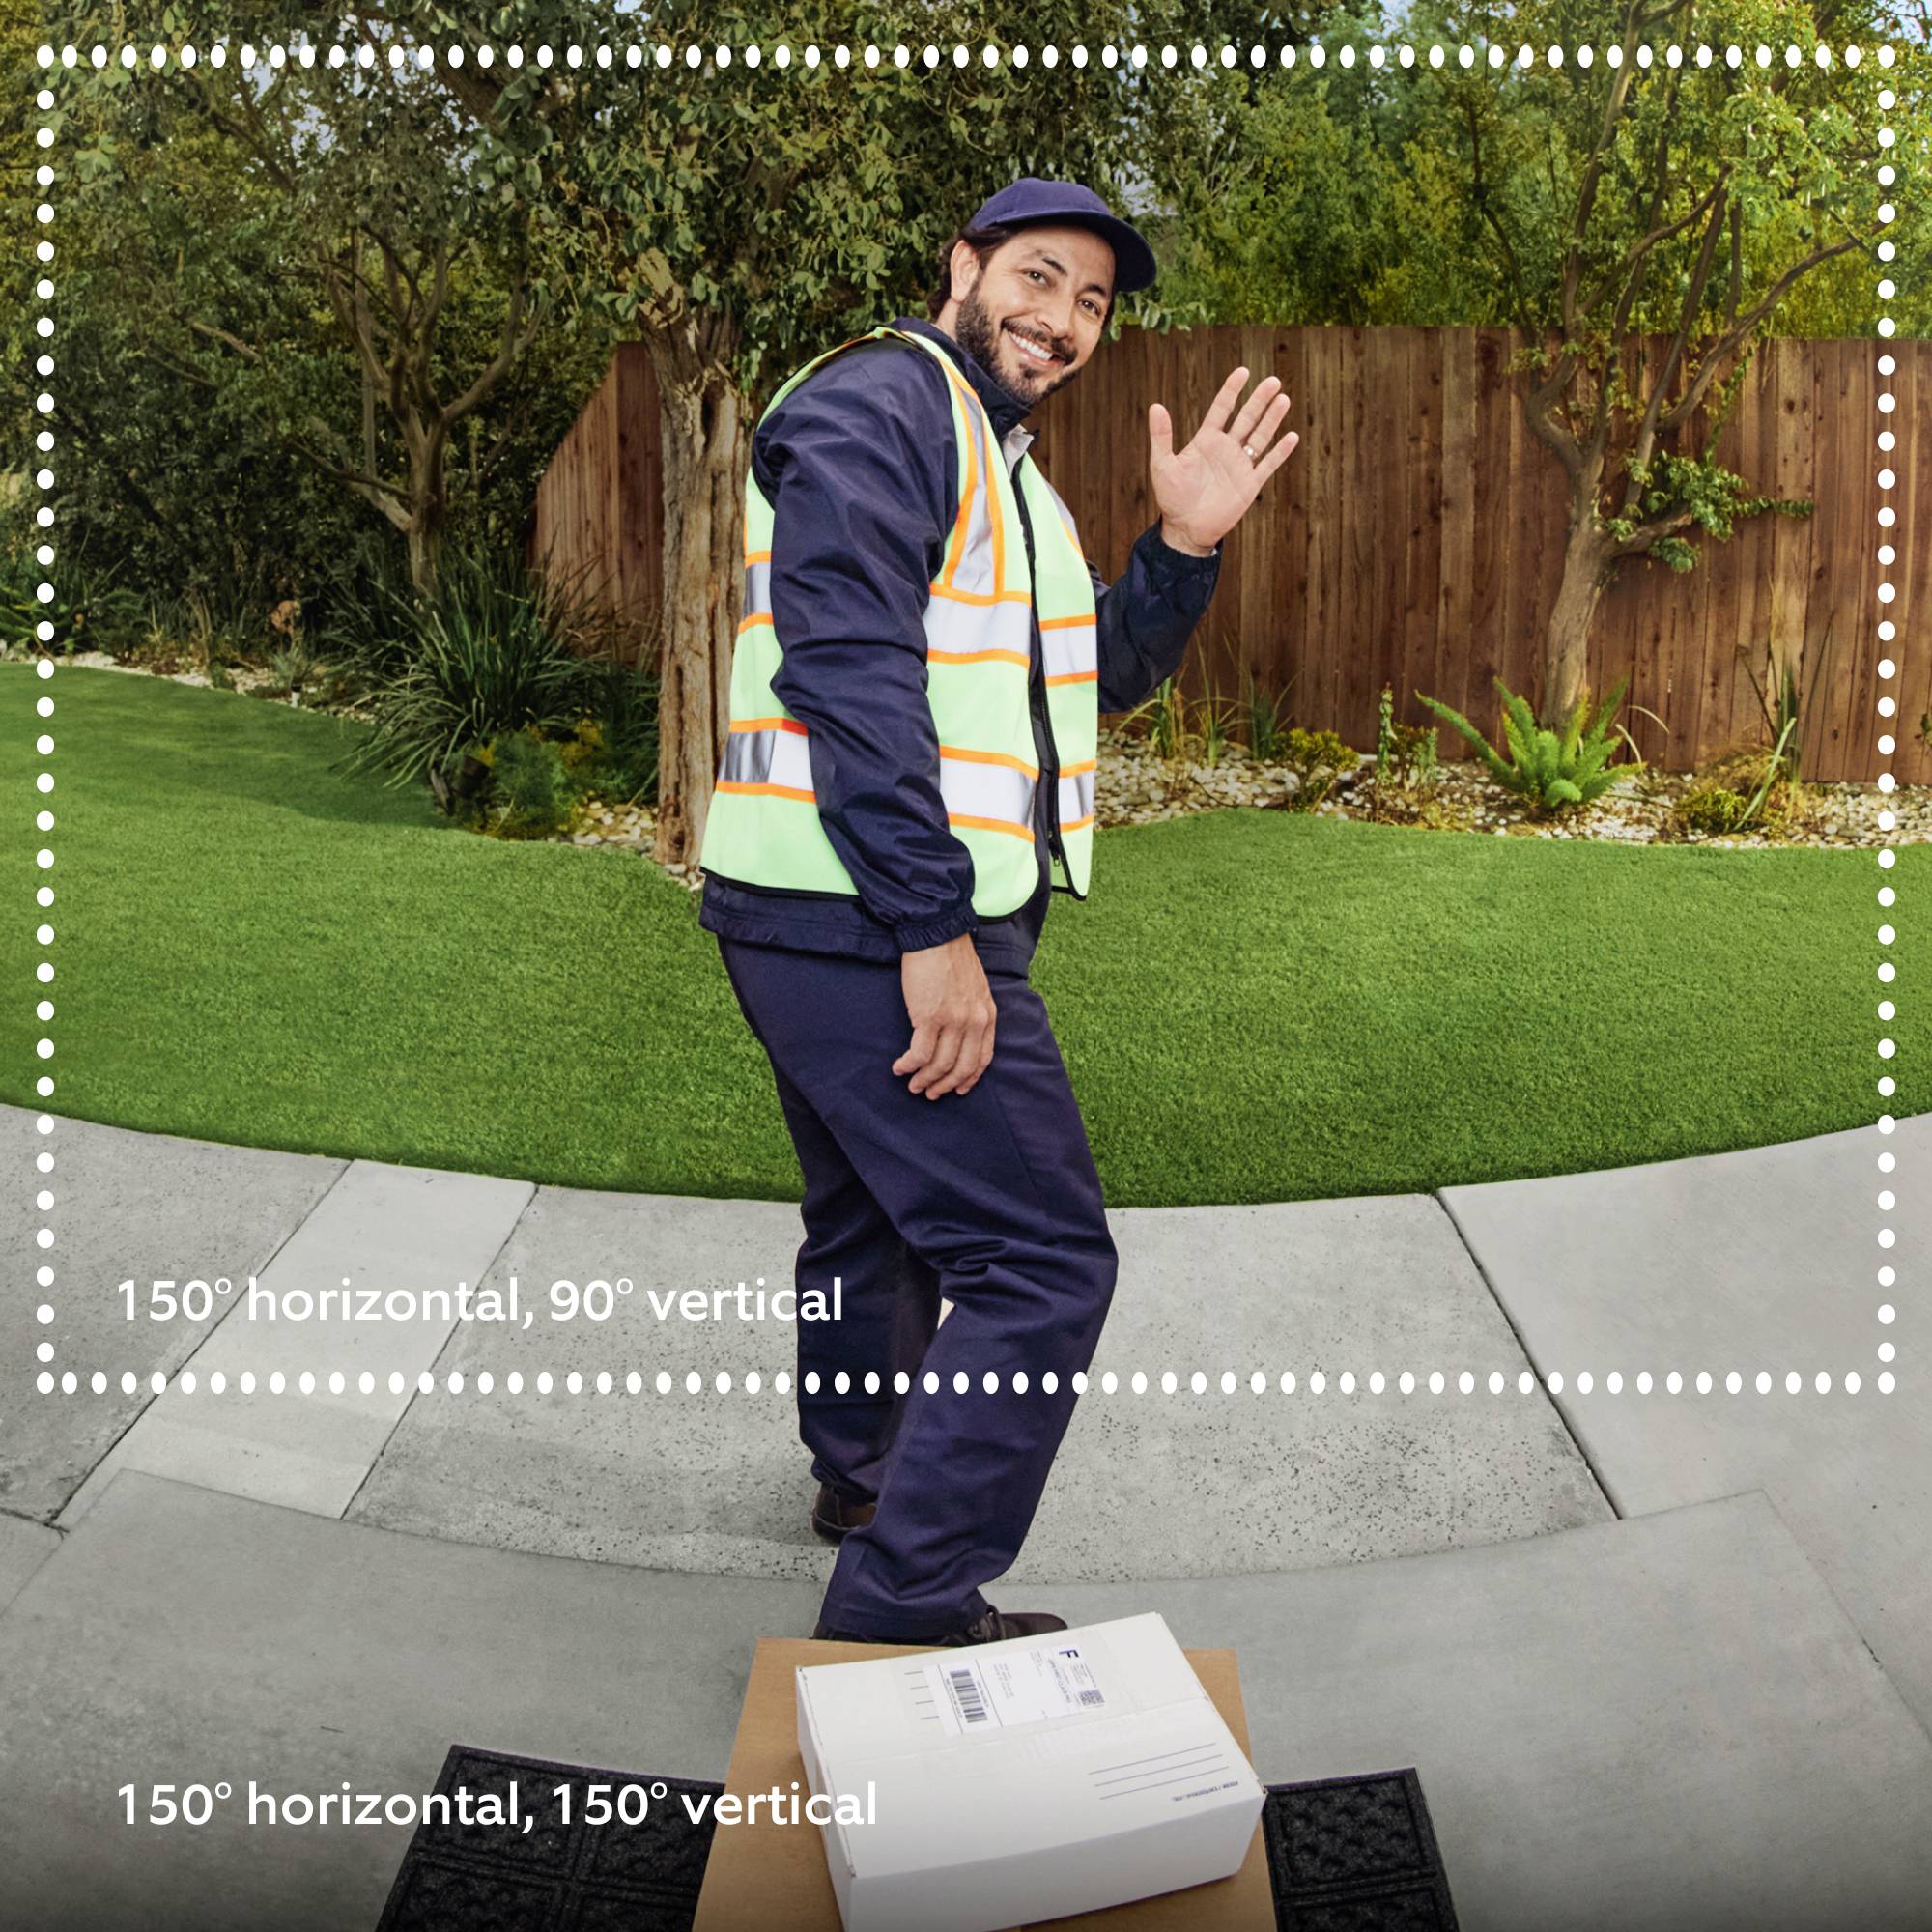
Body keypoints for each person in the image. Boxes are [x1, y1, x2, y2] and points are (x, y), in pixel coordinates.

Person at [696, 177, 1298, 1647]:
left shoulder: (996, 463)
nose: (1065, 319)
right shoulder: (883, 403)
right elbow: (849, 674)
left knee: (875, 1225)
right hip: (867, 921)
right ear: (960, 267)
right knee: (1041, 1263)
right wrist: (932, 933)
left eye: (1094, 301)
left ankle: (861, 1487)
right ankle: (905, 1607)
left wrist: (1187, 548)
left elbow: (1087, 679)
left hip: (815, 913)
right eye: (1039, 278)